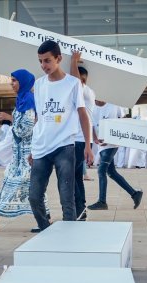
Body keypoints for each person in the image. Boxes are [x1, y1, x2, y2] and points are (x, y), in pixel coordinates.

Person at [28, 40, 94, 231]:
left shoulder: (73, 83)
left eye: (47, 61)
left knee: (67, 197)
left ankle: (69, 236)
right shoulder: (39, 84)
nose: (43, 65)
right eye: (40, 61)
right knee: (34, 196)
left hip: (65, 147)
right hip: (41, 147)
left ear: (59, 58)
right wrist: (33, 147)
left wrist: (88, 146)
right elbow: (39, 118)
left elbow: (83, 114)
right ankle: (44, 228)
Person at [0, 69, 46, 232]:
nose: (11, 83)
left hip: (28, 154)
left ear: (23, 82)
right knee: (15, 184)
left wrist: (10, 120)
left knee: (26, 186)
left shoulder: (28, 99)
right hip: (19, 155)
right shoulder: (22, 99)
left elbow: (25, 128)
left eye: (14, 80)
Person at [87, 99, 143, 211]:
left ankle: (102, 202)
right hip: (101, 145)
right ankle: (135, 194)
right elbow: (91, 126)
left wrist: (112, 138)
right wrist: (95, 140)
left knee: (101, 170)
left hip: (112, 144)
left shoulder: (114, 105)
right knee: (111, 173)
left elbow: (122, 122)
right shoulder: (92, 107)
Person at [70, 51, 96, 219]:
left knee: (71, 176)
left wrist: (73, 60)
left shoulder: (84, 90)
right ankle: (81, 209)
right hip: (83, 139)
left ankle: (79, 209)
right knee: (76, 177)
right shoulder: (90, 93)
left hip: (80, 140)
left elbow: (74, 79)